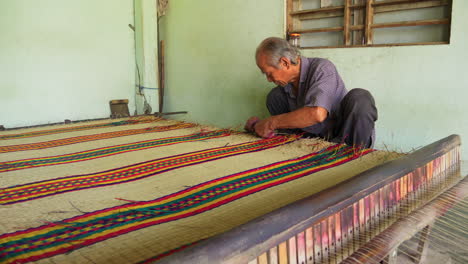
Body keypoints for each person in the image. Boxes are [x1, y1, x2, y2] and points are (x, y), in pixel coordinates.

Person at [245, 37, 378, 148]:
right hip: (316, 145)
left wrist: (271, 122)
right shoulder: (279, 95)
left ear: (285, 63)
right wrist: (259, 127)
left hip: (346, 139)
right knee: (274, 97)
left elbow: (317, 114)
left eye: (269, 74)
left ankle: (354, 156)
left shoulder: (322, 68)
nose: (269, 80)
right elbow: (285, 129)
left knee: (360, 98)